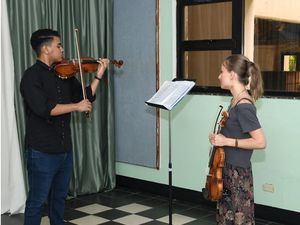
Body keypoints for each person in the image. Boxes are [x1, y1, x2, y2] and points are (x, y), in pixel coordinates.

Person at [20, 29, 109, 225]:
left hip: (64, 149)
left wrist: (99, 75)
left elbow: (85, 96)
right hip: (41, 150)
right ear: (45, 48)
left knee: (59, 199)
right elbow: (45, 109)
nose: (63, 49)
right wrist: (77, 107)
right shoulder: (31, 77)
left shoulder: (65, 74)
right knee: (36, 201)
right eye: (58, 45)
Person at [209, 54, 266, 225]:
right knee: (227, 219)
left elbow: (260, 142)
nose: (219, 76)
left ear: (232, 75)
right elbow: (234, 133)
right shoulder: (234, 101)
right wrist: (219, 138)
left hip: (238, 175)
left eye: (222, 72)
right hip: (227, 169)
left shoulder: (244, 106)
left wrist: (227, 141)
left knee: (239, 219)